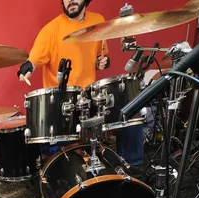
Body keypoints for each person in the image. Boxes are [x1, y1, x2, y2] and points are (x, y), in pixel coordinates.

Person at [17, 0, 145, 168]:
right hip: (63, 103)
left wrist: (102, 62)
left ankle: (131, 170)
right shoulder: (51, 30)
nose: (70, 0)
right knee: (67, 161)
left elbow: (100, 56)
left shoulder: (98, 20)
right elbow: (33, 60)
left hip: (91, 97)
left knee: (130, 114)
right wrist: (27, 67)